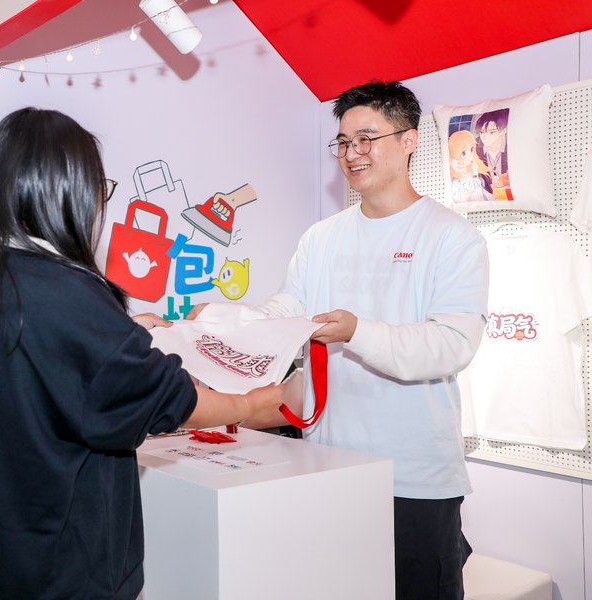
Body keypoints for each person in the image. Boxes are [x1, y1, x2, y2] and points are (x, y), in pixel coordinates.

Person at [0, 107, 283, 600]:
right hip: (54, 570)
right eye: (99, 188)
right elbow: (168, 398)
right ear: (67, 192)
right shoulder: (66, 291)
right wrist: (249, 404)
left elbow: (32, 361)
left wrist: (123, 331)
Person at [192, 81, 489, 599]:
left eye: (367, 138)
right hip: (326, 466)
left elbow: (451, 345)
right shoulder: (321, 237)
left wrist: (357, 332)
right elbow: (286, 309)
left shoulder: (452, 236)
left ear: (409, 140)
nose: (353, 154)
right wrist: (221, 318)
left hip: (413, 479)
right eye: (344, 142)